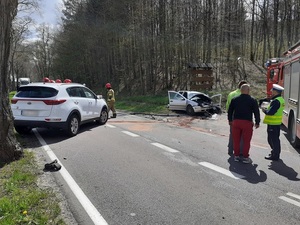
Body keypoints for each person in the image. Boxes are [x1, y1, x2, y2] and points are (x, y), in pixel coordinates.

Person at [228, 84, 260, 163]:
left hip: (236, 122)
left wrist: (230, 120)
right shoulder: (252, 100)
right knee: (246, 141)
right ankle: (245, 157)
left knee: (236, 140)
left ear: (241, 90)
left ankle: (236, 156)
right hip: (247, 123)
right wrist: (257, 122)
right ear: (248, 91)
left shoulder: (235, 99)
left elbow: (230, 111)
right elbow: (256, 112)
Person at [262, 84, 285, 161]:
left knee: (272, 140)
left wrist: (264, 110)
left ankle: (275, 155)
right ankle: (275, 153)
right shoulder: (281, 99)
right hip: (276, 123)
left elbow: (271, 112)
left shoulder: (276, 101)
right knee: (275, 139)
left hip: (273, 124)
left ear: (276, 92)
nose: (272, 92)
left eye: (273, 90)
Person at [226, 80, 248, 155]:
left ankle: (230, 149)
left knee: (232, 134)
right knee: (241, 135)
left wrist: (229, 117)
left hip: (232, 116)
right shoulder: (246, 95)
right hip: (242, 117)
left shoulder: (231, 94)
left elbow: (228, 106)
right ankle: (240, 151)